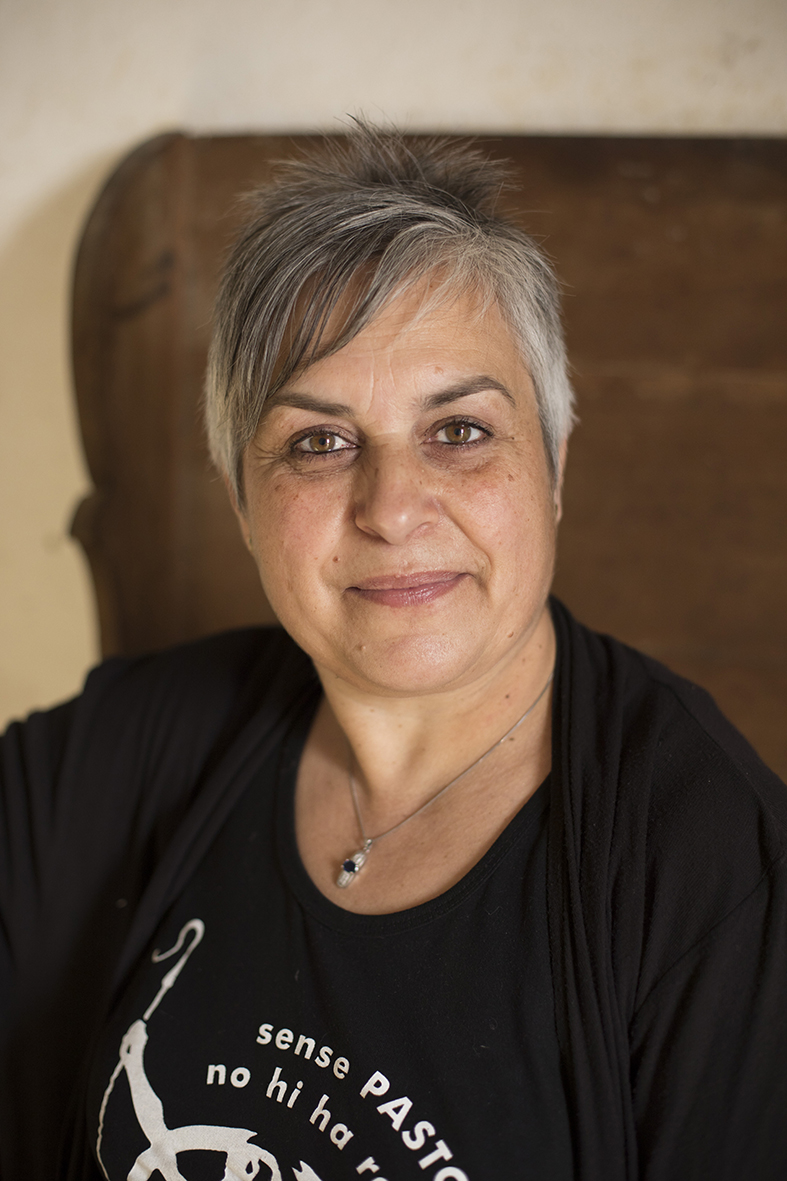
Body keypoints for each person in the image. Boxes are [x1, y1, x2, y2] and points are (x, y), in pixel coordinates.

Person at [1, 123, 786, 1181]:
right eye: (318, 442)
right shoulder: (129, 748)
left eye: (458, 429)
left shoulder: (714, 870)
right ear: (242, 501)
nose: (392, 506)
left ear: (553, 464)